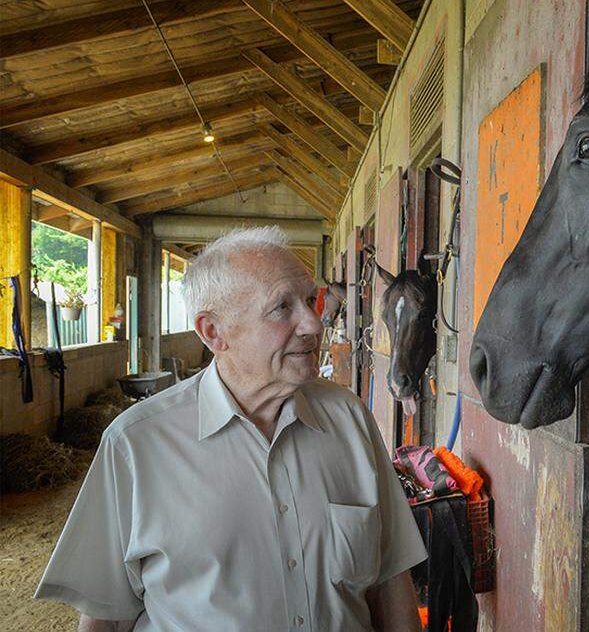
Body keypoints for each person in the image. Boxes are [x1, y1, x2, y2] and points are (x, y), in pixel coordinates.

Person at [35, 227, 426, 632]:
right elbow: (107, 618)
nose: (313, 323)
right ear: (213, 332)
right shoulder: (135, 445)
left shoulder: (349, 419)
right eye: (281, 307)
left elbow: (390, 581)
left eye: (310, 300)